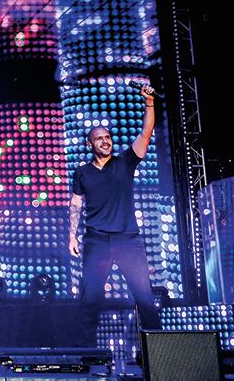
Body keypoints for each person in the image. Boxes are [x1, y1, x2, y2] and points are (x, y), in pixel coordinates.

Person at [69, 83, 162, 346]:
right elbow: (75, 205)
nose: (106, 141)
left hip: (127, 241)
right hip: (96, 241)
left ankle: (158, 353)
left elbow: (145, 133)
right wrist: (72, 238)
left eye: (108, 137)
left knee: (144, 297)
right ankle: (86, 354)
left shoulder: (125, 162)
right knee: (90, 299)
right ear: (90, 144)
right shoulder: (83, 172)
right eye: (99, 138)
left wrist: (149, 102)